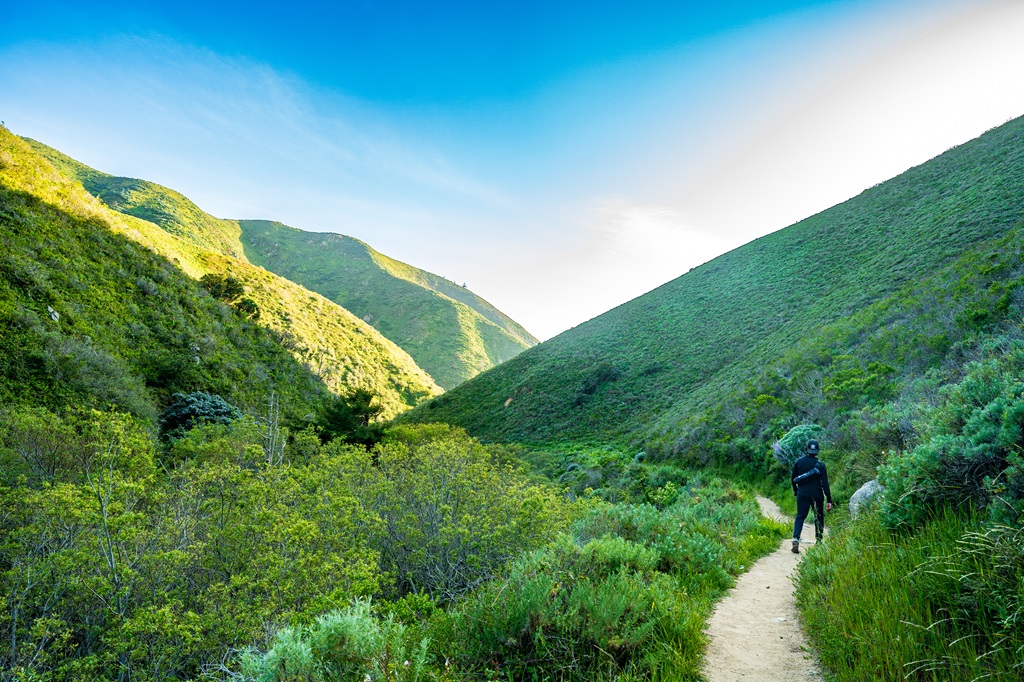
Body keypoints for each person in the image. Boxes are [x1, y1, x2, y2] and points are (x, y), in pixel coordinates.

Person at [791, 438, 832, 553]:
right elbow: (825, 483)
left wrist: (796, 491)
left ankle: (795, 538)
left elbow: (793, 479)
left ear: (806, 449)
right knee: (818, 517)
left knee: (800, 516)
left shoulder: (799, 462)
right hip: (817, 494)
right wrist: (829, 499)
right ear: (818, 450)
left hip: (802, 493)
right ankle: (819, 542)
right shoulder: (821, 465)